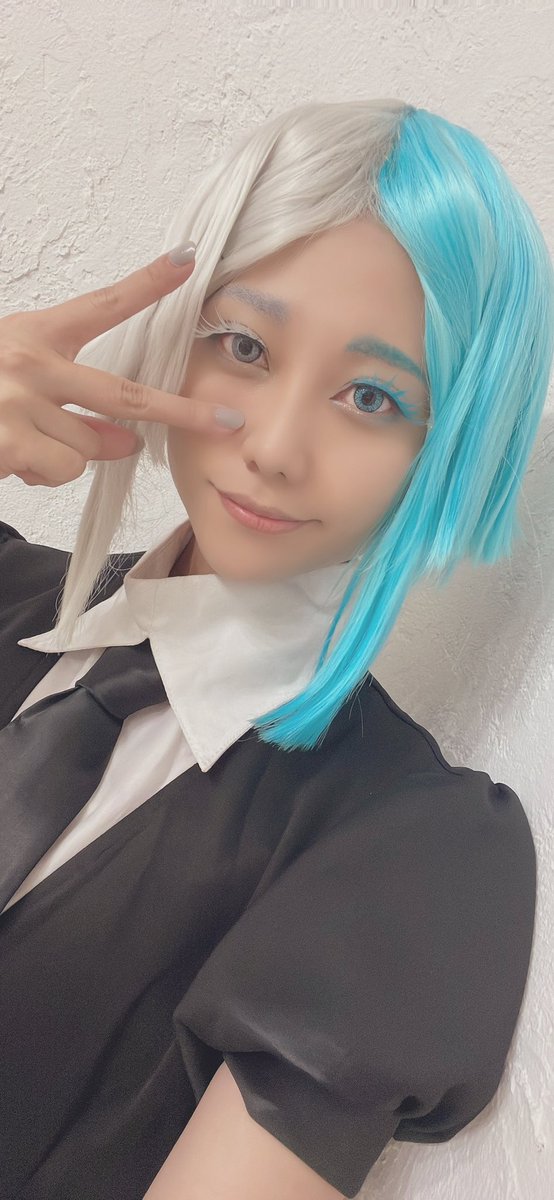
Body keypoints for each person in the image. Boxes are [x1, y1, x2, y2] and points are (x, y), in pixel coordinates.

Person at [0, 98, 551, 1200]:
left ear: (449, 446)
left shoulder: (417, 852)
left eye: (372, 395)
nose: (277, 448)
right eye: (244, 346)